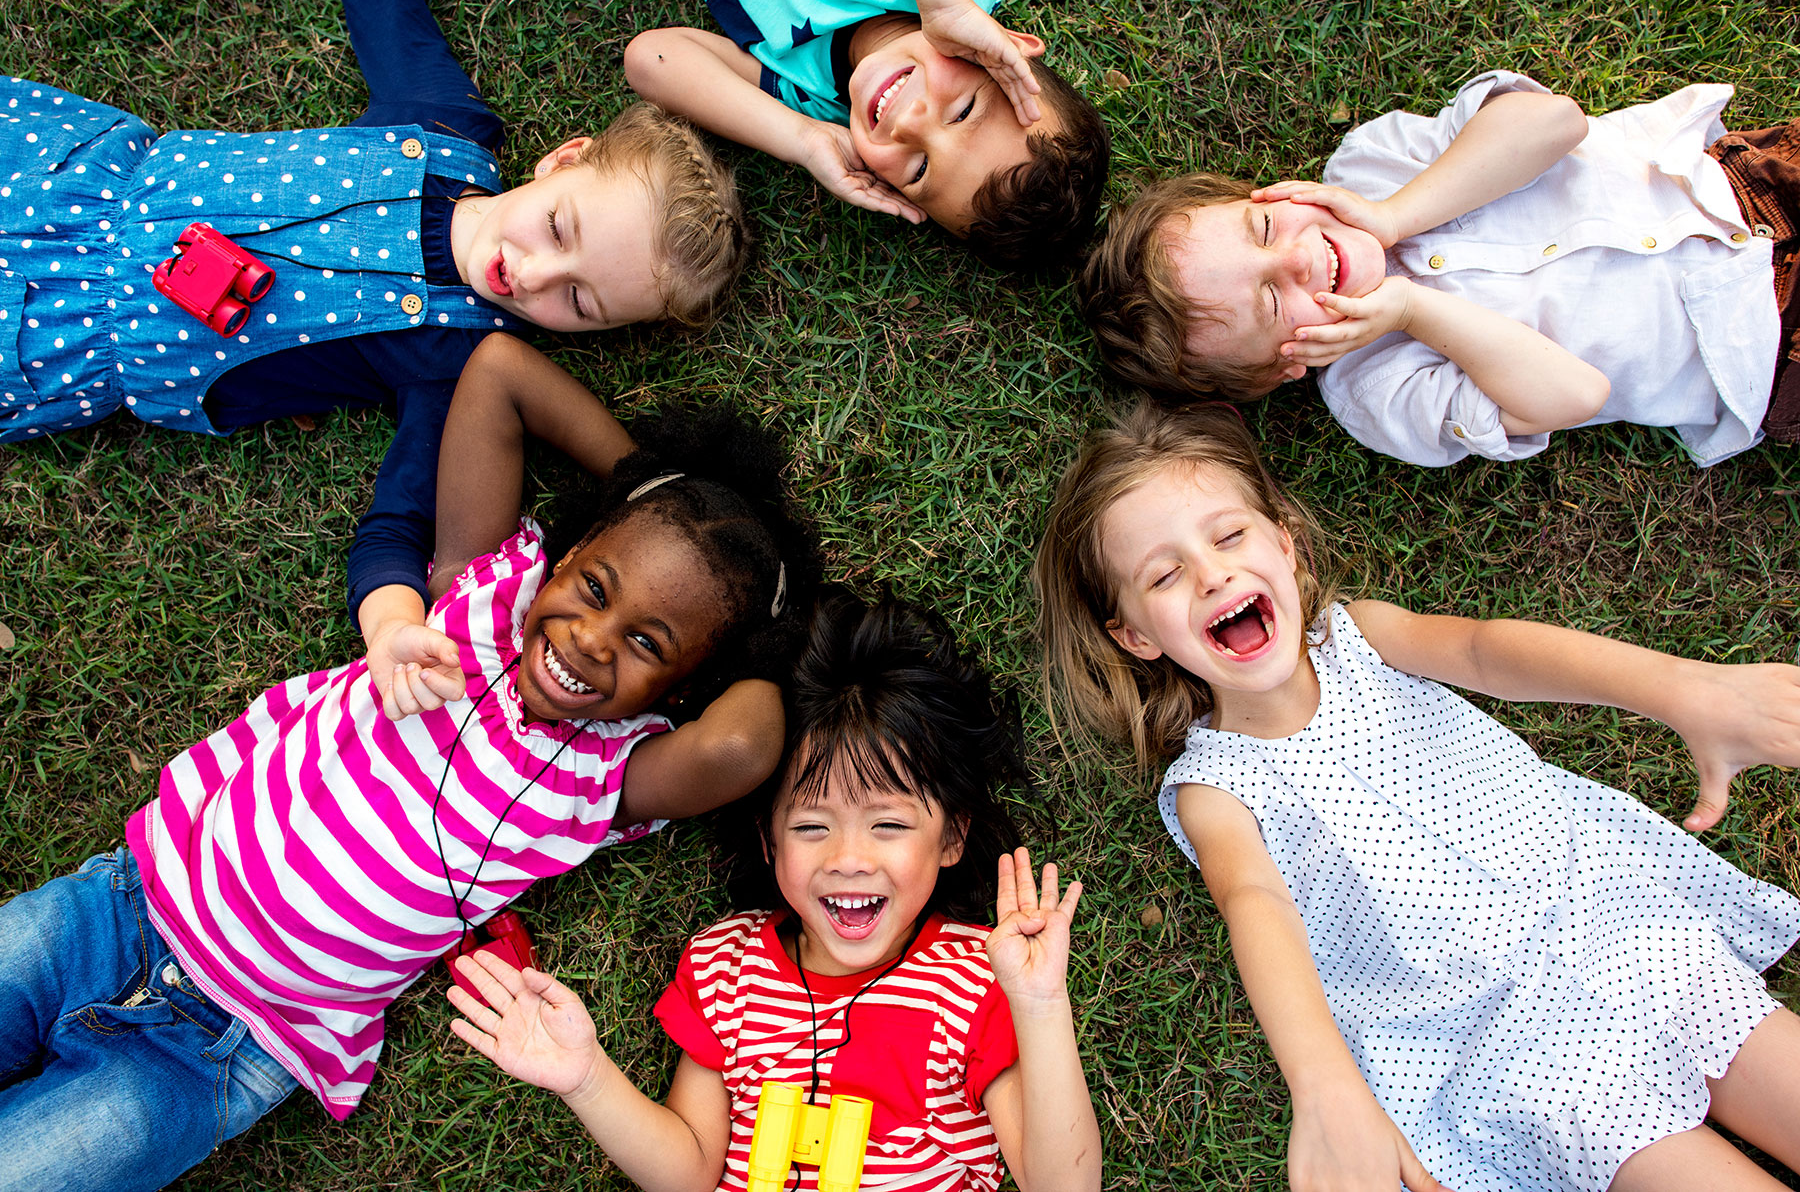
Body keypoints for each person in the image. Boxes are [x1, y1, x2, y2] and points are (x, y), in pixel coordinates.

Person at [0, 333, 820, 1192]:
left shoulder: (607, 780)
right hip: (117, 907)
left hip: (227, 1046)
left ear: (682, 691)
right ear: (568, 558)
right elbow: (500, 372)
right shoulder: (475, 597)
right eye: (596, 588)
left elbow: (745, 741)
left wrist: (776, 626)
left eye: (648, 642)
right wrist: (658, 493)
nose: (590, 638)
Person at [1034, 401, 1800, 1192]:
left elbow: (1486, 648)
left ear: (1286, 545)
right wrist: (1324, 1086)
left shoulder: (1361, 636)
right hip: (1510, 1044)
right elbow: (1255, 903)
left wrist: (1684, 690)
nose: (1211, 572)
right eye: (1164, 574)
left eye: (1229, 535)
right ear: (1134, 635)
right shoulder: (1214, 788)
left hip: (1610, 917)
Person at [0, 0, 750, 651]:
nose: (532, 273)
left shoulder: (454, 368)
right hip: (64, 176)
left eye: (579, 301)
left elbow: (396, 523)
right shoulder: (442, 123)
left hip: (58, 333)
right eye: (558, 225)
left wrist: (391, 624)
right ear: (565, 158)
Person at [449, 590, 1103, 1192]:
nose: (849, 858)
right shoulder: (724, 968)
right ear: (768, 840)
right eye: (813, 825)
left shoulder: (981, 979)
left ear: (953, 837)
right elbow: (688, 1172)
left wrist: (1040, 1004)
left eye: (889, 824)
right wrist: (588, 1076)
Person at [1080, 71, 1800, 467]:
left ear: (1267, 191)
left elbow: (1556, 123)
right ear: (1282, 367)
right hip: (1760, 350)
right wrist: (1412, 310)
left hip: (1740, 182)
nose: (1298, 255)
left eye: (1263, 227)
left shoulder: (1372, 164)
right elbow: (1577, 392)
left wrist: (1398, 216)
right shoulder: (1376, 392)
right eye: (1273, 300)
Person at [623, 0, 1109, 273]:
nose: (910, 126)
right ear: (1008, 48)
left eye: (919, 170)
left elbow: (651, 60)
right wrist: (943, 1)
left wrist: (804, 139)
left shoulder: (812, 98)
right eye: (962, 111)